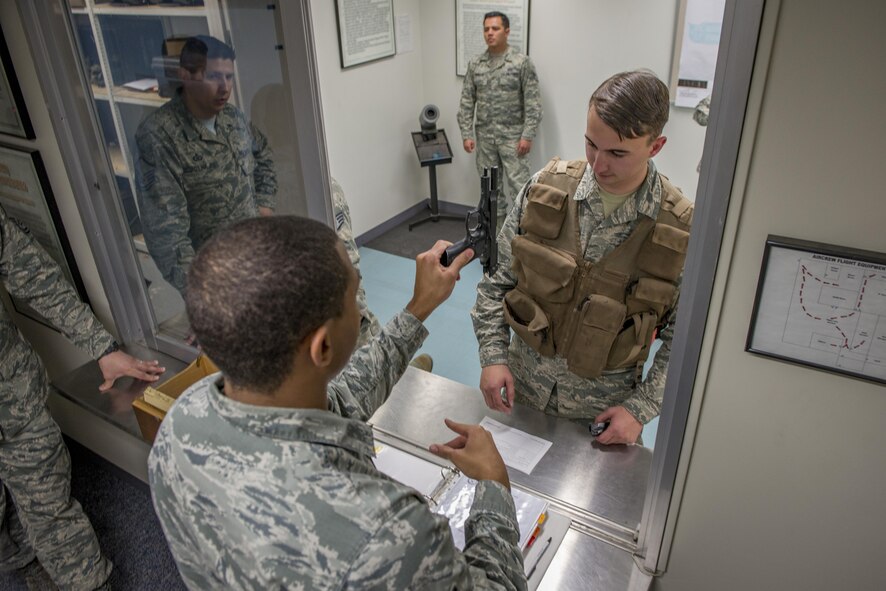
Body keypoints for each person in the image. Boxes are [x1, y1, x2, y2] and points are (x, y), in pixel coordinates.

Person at [148, 216, 526, 590]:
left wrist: (417, 309)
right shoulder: (388, 538)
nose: (360, 308)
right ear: (323, 346)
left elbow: (339, 399)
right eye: (353, 296)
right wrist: (494, 486)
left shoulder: (182, 420)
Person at [471, 70, 694, 446]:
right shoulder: (545, 188)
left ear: (655, 147)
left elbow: (686, 339)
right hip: (521, 395)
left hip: (605, 417)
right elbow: (496, 283)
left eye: (617, 153)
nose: (598, 163)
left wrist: (640, 410)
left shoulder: (679, 230)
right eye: (591, 144)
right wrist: (492, 356)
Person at [0, 205, 165, 589]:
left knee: (49, 506)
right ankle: (22, 561)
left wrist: (102, 348)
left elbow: (31, 273)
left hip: (12, 396)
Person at [135, 35, 277, 299]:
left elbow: (264, 156)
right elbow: (167, 234)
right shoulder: (159, 135)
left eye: (229, 77)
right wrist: (203, 299)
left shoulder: (232, 118)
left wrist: (264, 205)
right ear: (186, 76)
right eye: (213, 76)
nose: (225, 88)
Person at [457, 11, 542, 228]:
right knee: (490, 192)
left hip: (513, 139)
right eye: (486, 29)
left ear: (507, 31)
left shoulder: (521, 63)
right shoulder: (476, 64)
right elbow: (467, 101)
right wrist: (467, 133)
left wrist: (527, 135)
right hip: (485, 139)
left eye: (494, 29)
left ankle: (523, 239)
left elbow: (533, 103)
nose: (489, 33)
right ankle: (495, 241)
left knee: (520, 189)